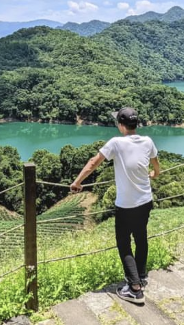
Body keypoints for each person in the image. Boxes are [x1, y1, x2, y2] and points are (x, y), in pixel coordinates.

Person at [70, 107, 160, 304]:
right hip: (145, 200)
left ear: (121, 125)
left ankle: (135, 288)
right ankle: (141, 275)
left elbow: (93, 163)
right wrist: (155, 173)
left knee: (123, 242)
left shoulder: (116, 143)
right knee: (141, 237)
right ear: (136, 124)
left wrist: (77, 183)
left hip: (126, 205)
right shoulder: (147, 141)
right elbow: (155, 162)